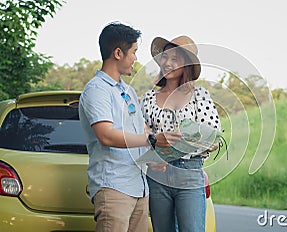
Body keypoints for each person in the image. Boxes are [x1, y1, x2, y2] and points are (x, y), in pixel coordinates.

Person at [79, 22, 181, 232]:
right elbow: (106, 136)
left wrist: (153, 159)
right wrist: (151, 139)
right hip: (114, 188)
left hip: (139, 188)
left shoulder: (128, 91)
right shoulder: (97, 90)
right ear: (118, 53)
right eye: (134, 52)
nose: (136, 58)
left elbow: (142, 132)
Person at [140, 35, 221, 232]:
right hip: (157, 176)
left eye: (175, 59)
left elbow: (214, 139)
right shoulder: (149, 98)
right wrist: (151, 155)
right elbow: (141, 138)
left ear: (187, 65)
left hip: (189, 172)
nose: (167, 63)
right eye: (166, 58)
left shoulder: (199, 96)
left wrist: (198, 141)